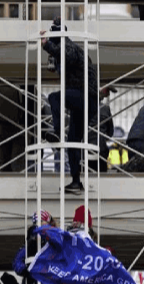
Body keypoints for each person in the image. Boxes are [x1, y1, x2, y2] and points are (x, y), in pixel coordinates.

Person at [41, 22, 100, 193]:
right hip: (85, 101)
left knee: (54, 97)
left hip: (84, 96)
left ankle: (58, 131)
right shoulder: (71, 50)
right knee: (73, 141)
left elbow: (67, 55)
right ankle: (76, 180)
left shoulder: (69, 46)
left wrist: (46, 45)